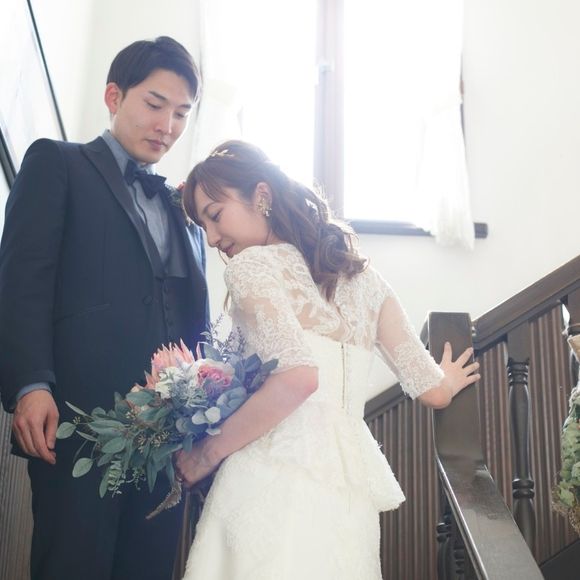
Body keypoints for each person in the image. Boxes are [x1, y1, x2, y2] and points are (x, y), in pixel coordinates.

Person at [175, 140, 480, 579]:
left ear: (261, 196)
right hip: (347, 495)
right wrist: (447, 379)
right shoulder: (368, 281)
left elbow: (298, 377)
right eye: (202, 225)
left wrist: (207, 454)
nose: (211, 238)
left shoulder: (251, 267)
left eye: (215, 215)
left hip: (269, 480)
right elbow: (432, 390)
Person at [0, 37, 209, 580]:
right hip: (76, 424)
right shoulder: (57, 163)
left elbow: (194, 321)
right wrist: (31, 385)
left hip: (166, 439)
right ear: (114, 96)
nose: (167, 125)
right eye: (155, 104)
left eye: (181, 113)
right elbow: (22, 283)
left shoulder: (184, 209)